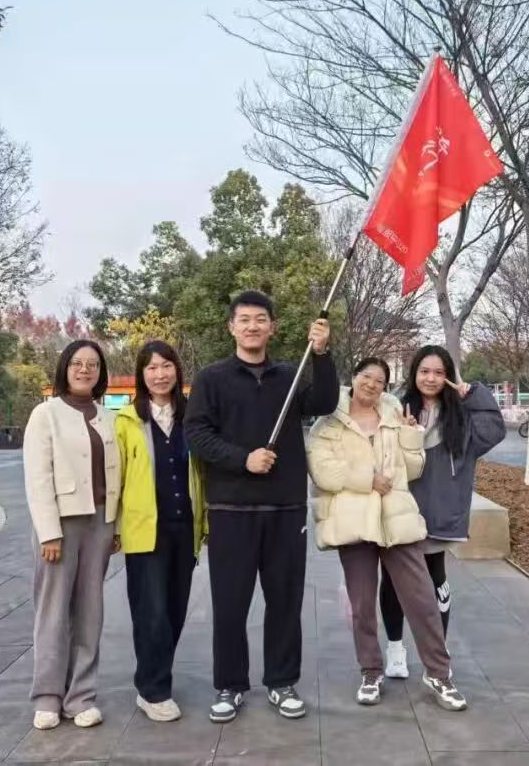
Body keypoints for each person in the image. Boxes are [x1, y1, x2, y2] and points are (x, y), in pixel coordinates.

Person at [184, 290, 339, 724]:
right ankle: (230, 685)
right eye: (244, 320)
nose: (252, 326)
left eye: (260, 319)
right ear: (231, 328)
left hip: (285, 510)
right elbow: (196, 433)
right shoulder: (212, 379)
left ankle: (282, 681)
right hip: (231, 511)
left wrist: (322, 355)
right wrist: (243, 459)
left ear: (272, 327)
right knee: (230, 604)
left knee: (285, 602)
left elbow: (324, 403)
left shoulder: (291, 374)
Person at [307, 357, 468, 711]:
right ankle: (371, 671)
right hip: (353, 521)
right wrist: (368, 479)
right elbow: (322, 471)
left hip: (397, 519)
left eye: (380, 380)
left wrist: (411, 435)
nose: (372, 384)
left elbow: (413, 469)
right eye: (366, 376)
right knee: (362, 605)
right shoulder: (328, 421)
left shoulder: (395, 413)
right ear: (353, 378)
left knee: (422, 600)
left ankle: (438, 673)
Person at [379, 345, 506, 678]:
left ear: (448, 377)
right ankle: (395, 649)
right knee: (392, 580)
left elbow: (494, 430)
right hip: (399, 510)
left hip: (439, 511)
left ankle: (438, 652)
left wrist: (474, 395)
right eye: (424, 371)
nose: (431, 378)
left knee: (436, 577)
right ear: (414, 374)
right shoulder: (396, 409)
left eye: (439, 372)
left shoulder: (460, 417)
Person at [23, 340, 121, 731]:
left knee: (89, 612)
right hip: (61, 525)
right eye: (77, 363)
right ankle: (47, 696)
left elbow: (117, 476)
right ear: (65, 368)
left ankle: (81, 696)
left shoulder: (108, 417)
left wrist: (115, 526)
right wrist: (49, 532)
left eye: (93, 364)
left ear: (101, 372)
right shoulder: (45, 414)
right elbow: (37, 477)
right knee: (53, 610)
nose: (84, 370)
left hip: (100, 523)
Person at [115, 340, 206, 723]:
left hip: (184, 528)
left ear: (177, 370)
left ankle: (155, 676)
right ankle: (153, 690)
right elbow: (116, 478)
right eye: (151, 367)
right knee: (151, 611)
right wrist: (114, 527)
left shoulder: (193, 418)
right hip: (144, 530)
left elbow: (203, 474)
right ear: (142, 374)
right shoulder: (126, 421)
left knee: (175, 610)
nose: (160, 374)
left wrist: (206, 523)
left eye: (166, 366)